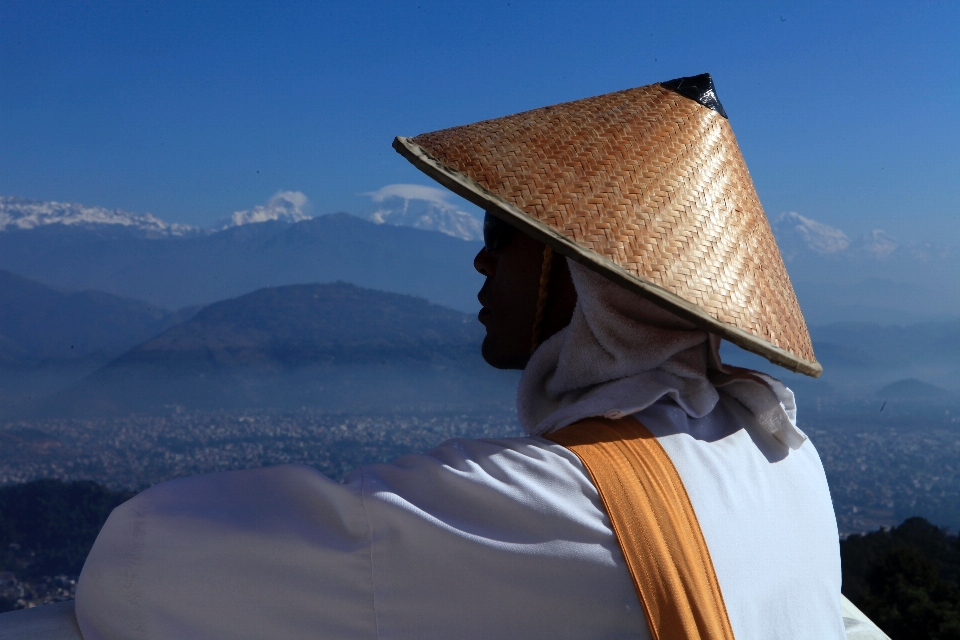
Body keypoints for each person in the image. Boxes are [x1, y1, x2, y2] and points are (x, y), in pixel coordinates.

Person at [2, 74, 890, 638]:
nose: (477, 259)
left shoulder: (546, 507)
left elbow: (145, 562)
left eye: (501, 235)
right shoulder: (776, 451)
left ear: (576, 276)